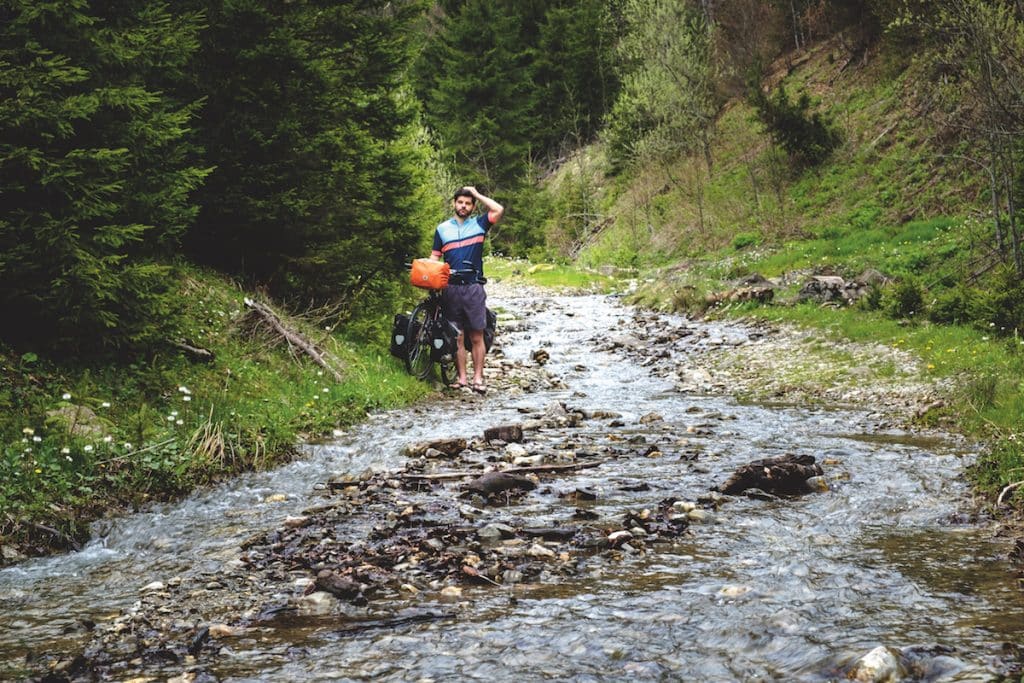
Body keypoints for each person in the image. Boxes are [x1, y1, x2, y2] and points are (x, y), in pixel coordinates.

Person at [430, 186, 503, 393]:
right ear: (454, 203)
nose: (463, 206)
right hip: (450, 288)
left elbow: (498, 209)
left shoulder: (480, 224)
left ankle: (478, 378)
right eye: (460, 202)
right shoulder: (442, 229)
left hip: (473, 287)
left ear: (473, 206)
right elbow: (435, 257)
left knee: (477, 336)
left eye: (468, 203)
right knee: (457, 336)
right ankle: (462, 379)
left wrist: (478, 194)